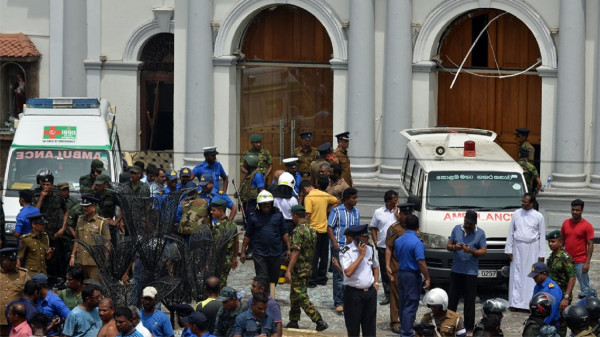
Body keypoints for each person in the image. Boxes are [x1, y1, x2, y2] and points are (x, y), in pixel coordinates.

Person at [284, 204, 328, 331]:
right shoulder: (312, 230)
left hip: (299, 268)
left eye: (292, 215)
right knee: (295, 294)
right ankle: (293, 320)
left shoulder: (298, 231)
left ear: (295, 215)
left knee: (301, 295)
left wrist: (288, 270)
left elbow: (296, 251)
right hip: (308, 267)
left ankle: (318, 320)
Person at [240, 191, 289, 296]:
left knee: (274, 277)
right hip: (259, 253)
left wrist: (289, 249)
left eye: (268, 204)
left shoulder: (278, 216)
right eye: (263, 204)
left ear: (271, 204)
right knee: (262, 276)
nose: (266, 206)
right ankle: (263, 297)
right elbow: (247, 235)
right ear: (259, 205)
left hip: (275, 252)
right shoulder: (253, 217)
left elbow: (284, 233)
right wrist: (243, 251)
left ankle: (271, 296)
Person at [446, 210, 487, 334]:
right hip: (456, 270)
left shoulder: (480, 233)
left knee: (469, 302)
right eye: (467, 223)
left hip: (470, 272)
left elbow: (483, 251)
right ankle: (449, 324)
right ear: (464, 220)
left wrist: (472, 251)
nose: (468, 225)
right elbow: (448, 245)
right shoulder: (456, 229)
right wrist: (454, 247)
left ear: (475, 223)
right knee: (452, 299)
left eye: (471, 224)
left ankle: (469, 328)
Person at [505, 192, 546, 311]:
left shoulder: (539, 216)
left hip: (532, 248)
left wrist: (541, 254)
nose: (522, 203)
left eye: (525, 201)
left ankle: (529, 302)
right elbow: (510, 232)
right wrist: (509, 249)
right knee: (517, 275)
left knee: (530, 275)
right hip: (517, 248)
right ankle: (515, 303)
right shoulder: (517, 213)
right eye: (522, 201)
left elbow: (542, 235)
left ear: (532, 203)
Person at [339, 224, 378, 336]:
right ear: (357, 238)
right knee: (353, 328)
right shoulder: (345, 251)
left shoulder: (370, 249)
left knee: (370, 329)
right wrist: (361, 256)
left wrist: (375, 283)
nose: (368, 238)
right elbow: (348, 272)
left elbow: (375, 266)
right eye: (365, 236)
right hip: (353, 295)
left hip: (370, 293)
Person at [395, 214, 431, 337]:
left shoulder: (399, 240)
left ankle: (404, 329)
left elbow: (397, 255)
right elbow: (420, 261)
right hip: (412, 275)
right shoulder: (417, 242)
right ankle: (407, 332)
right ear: (418, 226)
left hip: (401, 273)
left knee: (403, 303)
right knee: (411, 304)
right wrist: (427, 277)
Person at [301, 178, 340, 288]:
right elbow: (337, 201)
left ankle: (312, 280)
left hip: (313, 230)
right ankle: (322, 278)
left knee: (313, 256)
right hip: (324, 229)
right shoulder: (324, 195)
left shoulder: (309, 197)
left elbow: (308, 214)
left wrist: (303, 227)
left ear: (305, 189)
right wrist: (327, 210)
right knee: (324, 256)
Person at [327, 187, 360, 311]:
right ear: (347, 199)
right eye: (353, 198)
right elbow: (329, 227)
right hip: (339, 246)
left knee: (350, 273)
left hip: (351, 248)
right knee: (339, 275)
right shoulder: (336, 211)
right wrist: (334, 242)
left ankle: (348, 301)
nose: (356, 200)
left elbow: (357, 230)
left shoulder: (356, 212)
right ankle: (338, 302)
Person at [35, 174, 70, 279]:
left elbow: (66, 211)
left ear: (52, 185)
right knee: (42, 256)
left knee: (56, 258)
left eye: (48, 184)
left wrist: (63, 227)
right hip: (41, 232)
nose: (45, 186)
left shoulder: (58, 196)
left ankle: (56, 280)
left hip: (55, 232)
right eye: (44, 184)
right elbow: (35, 212)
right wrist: (41, 197)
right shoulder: (37, 195)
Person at [385, 202, 413, 334]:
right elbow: (389, 249)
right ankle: (395, 322)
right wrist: (387, 265)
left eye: (409, 214)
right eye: (404, 214)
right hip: (397, 266)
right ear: (399, 214)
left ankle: (407, 320)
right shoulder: (394, 228)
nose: (406, 217)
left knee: (409, 296)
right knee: (396, 296)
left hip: (411, 267)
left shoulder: (413, 227)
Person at [70, 195, 111, 282]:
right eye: (83, 206)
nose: (84, 208)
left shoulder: (102, 222)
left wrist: (106, 260)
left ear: (94, 207)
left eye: (87, 206)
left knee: (95, 287)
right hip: (81, 261)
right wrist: (73, 256)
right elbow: (77, 239)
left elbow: (107, 242)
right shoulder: (80, 220)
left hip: (95, 262)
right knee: (81, 286)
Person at [368, 189, 398, 306]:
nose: (396, 201)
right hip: (382, 245)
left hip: (396, 245)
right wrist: (375, 241)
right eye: (394, 199)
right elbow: (373, 227)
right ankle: (388, 294)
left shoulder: (399, 211)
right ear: (388, 201)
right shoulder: (378, 212)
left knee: (395, 269)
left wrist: (397, 214)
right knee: (385, 271)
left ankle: (396, 293)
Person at [561, 199, 595, 294]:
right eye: (573, 210)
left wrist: (587, 262)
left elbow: (590, 244)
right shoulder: (565, 223)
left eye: (577, 210)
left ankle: (589, 306)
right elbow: (562, 241)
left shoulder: (587, 226)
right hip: (567, 260)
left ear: (582, 210)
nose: (574, 212)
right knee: (564, 285)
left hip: (580, 261)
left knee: (585, 288)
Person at [0, 248, 30, 336]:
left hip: (15, 321)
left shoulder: (23, 275)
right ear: (3, 259)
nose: (13, 263)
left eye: (14, 260)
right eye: (10, 260)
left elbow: (30, 294)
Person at [210, 199, 239, 287]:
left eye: (214, 210)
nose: (211, 212)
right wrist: (234, 258)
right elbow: (236, 242)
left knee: (217, 283)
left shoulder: (218, 227)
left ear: (221, 211)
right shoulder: (232, 225)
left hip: (219, 260)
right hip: (228, 259)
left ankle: (219, 299)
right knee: (223, 280)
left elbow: (215, 245)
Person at [546, 230, 576, 312]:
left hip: (562, 295)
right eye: (549, 242)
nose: (550, 244)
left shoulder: (565, 258)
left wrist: (566, 298)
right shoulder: (551, 257)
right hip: (552, 293)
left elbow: (572, 278)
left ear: (560, 243)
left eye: (553, 241)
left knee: (561, 320)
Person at [529, 262, 562, 327]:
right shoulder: (538, 286)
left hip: (550, 324)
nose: (533, 278)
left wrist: (544, 324)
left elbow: (553, 310)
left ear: (544, 274)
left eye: (536, 276)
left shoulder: (553, 288)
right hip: (538, 321)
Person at [94, 174, 123, 247]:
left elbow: (123, 207)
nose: (97, 186)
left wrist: (116, 221)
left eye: (99, 185)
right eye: (96, 184)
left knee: (111, 247)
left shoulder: (112, 195)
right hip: (96, 225)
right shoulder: (95, 195)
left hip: (108, 225)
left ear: (105, 184)